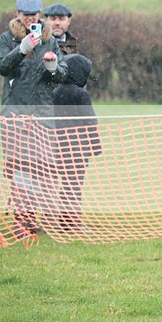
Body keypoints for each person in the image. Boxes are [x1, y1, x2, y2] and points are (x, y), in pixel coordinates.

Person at [0, 0, 68, 238]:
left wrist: (53, 68)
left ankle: (39, 219)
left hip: (43, 114)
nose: (30, 19)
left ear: (39, 15)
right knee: (19, 170)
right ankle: (21, 222)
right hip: (15, 114)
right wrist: (22, 48)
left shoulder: (49, 41)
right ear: (18, 14)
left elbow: (60, 76)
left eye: (34, 15)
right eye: (26, 15)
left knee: (42, 170)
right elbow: (2, 67)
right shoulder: (7, 39)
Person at [51, 54, 102, 234]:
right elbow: (90, 121)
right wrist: (95, 147)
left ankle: (60, 221)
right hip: (78, 147)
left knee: (63, 183)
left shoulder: (55, 92)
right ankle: (71, 223)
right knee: (73, 186)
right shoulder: (81, 94)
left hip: (57, 145)